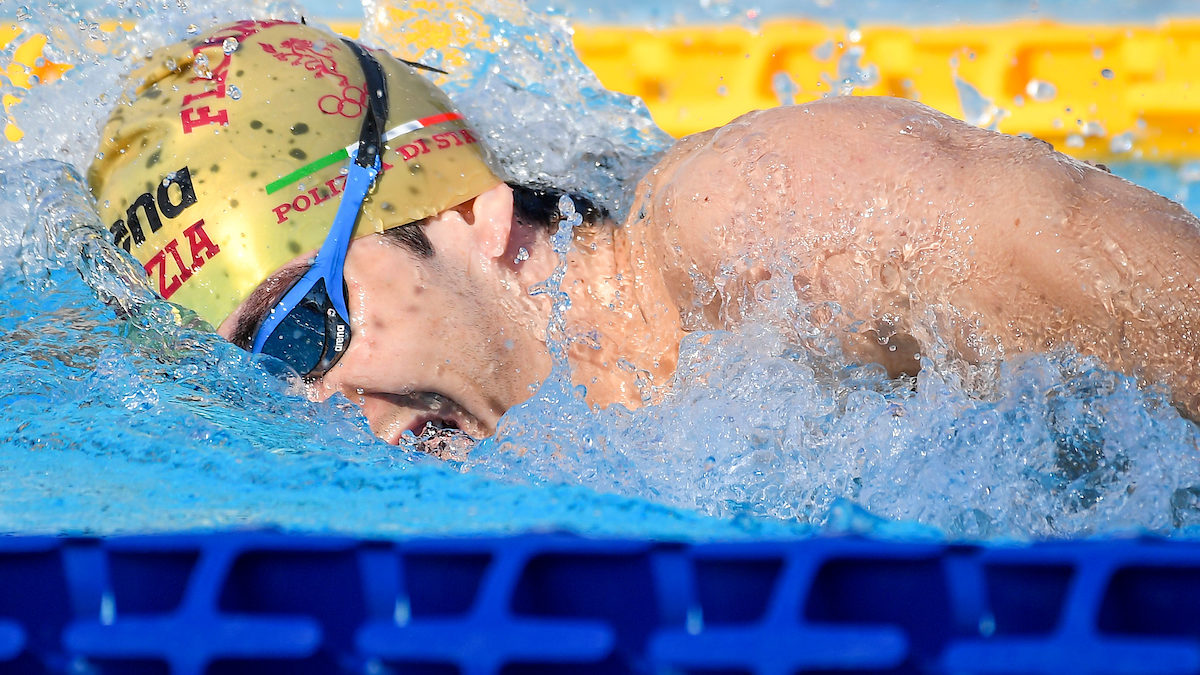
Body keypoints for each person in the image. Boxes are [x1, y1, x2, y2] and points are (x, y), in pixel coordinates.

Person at [88, 20, 1200, 446]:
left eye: (298, 330)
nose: (309, 398)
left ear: (469, 211)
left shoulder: (769, 221)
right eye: (259, 370)